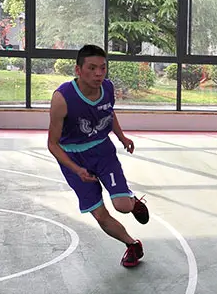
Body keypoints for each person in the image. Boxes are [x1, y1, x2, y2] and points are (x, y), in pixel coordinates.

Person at [47, 44, 149, 268]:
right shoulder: (62, 98)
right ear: (78, 70)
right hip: (73, 158)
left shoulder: (108, 88)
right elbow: (52, 144)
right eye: (92, 68)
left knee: (122, 206)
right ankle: (132, 245)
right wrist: (76, 170)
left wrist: (121, 137)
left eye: (103, 68)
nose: (98, 74)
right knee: (100, 215)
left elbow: (108, 113)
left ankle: (133, 203)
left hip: (102, 151)